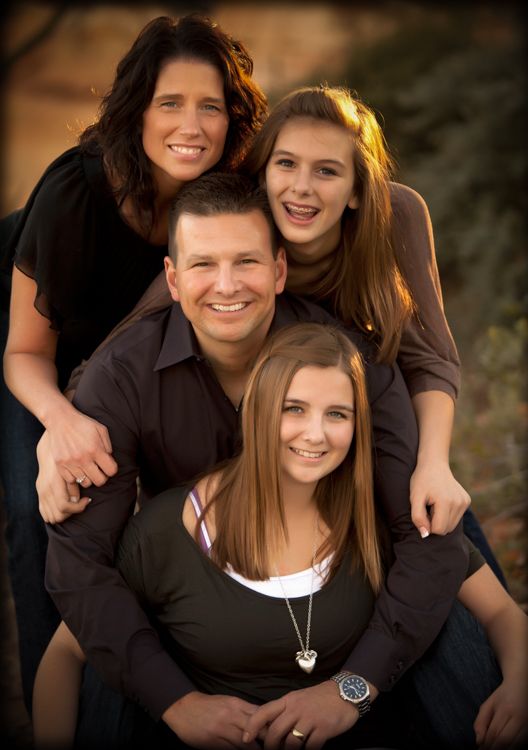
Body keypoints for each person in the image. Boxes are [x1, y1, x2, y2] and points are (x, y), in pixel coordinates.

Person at [43, 173, 468, 745]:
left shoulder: (344, 359)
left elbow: (425, 534)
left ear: (279, 270)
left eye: (246, 261)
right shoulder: (121, 375)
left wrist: (354, 686)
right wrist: (175, 703)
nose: (225, 285)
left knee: (450, 614)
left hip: (339, 575)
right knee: (109, 666)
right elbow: (80, 565)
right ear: (171, 278)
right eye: (201, 265)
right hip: (196, 575)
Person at [62, 84, 501, 578]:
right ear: (263, 171)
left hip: (364, 408)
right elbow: (121, 348)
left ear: (357, 188)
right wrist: (59, 432)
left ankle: (502, 624)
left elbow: (431, 358)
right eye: (286, 164)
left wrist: (435, 464)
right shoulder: (239, 240)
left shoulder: (394, 217)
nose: (301, 188)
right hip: (263, 420)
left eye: (327, 171)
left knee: (434, 516)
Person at [34, 324, 528, 749]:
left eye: (337, 414)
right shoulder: (173, 528)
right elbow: (64, 654)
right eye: (293, 409)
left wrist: (520, 686)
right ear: (256, 410)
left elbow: (501, 613)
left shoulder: (381, 515)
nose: (315, 434)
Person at [0, 13, 266, 711]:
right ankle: (52, 699)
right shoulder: (76, 194)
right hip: (34, 349)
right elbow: (26, 351)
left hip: (117, 356)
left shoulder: (234, 181)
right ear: (136, 111)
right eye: (169, 103)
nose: (193, 125)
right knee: (47, 506)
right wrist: (58, 423)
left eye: (211, 105)